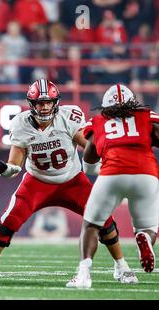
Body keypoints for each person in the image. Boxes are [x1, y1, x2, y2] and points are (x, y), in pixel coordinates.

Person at [0, 79, 137, 284]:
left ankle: (122, 267)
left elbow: (89, 147)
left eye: (48, 102)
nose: (45, 106)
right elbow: (15, 164)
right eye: (40, 102)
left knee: (104, 220)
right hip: (37, 182)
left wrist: (106, 152)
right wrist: (7, 170)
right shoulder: (20, 124)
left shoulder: (68, 117)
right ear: (31, 104)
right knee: (8, 221)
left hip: (72, 181)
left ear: (56, 102)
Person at [68, 84, 159, 289]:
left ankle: (83, 274)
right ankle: (144, 237)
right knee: (148, 227)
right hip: (146, 173)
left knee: (91, 224)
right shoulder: (146, 115)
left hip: (112, 174)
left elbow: (90, 154)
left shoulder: (98, 120)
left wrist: (92, 169)